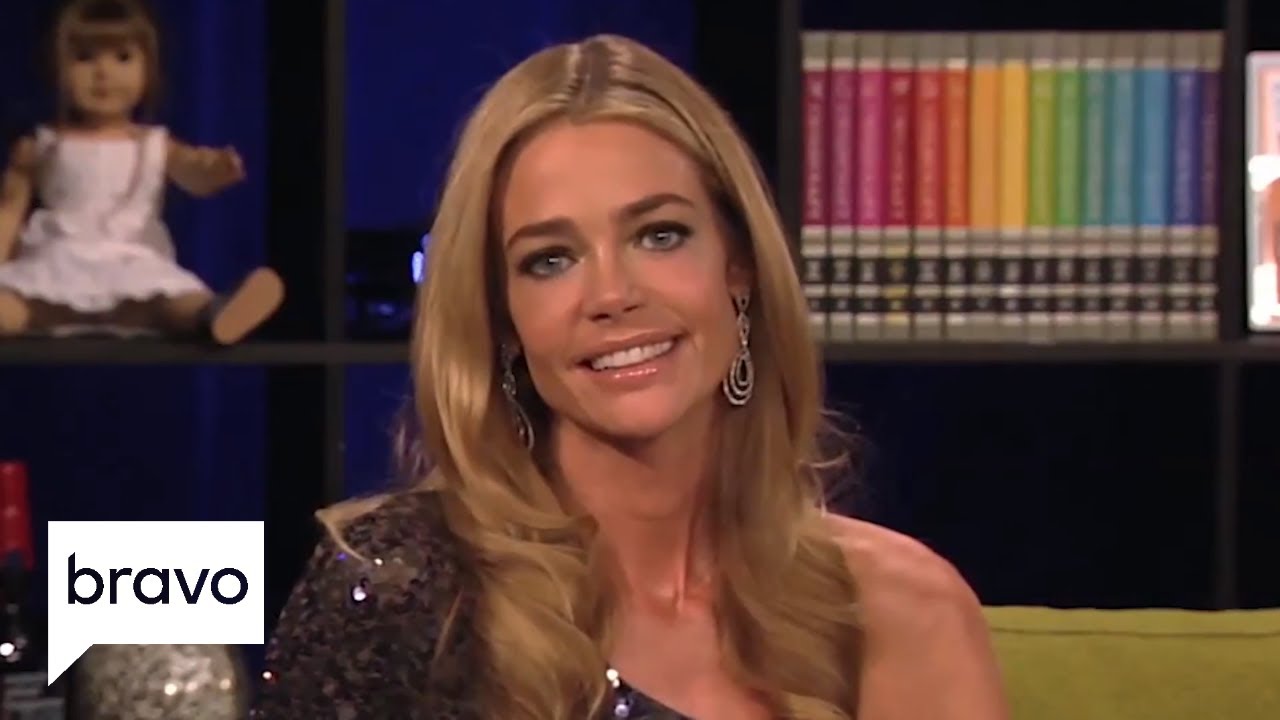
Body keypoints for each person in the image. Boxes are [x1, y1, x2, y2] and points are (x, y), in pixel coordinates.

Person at [252, 34, 1009, 720]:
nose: (613, 294)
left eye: (660, 235)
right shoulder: (400, 592)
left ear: (738, 267)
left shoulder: (901, 613)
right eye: (551, 260)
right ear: (504, 317)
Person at [0, 0, 284, 343]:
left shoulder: (155, 144)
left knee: (168, 302)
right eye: (84, 58)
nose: (103, 73)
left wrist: (210, 169)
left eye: (122, 58)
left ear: (149, 70)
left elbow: (191, 172)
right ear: (57, 68)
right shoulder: (42, 145)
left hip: (130, 262)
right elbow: (9, 210)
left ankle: (211, 314)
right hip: (58, 261)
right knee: (19, 305)